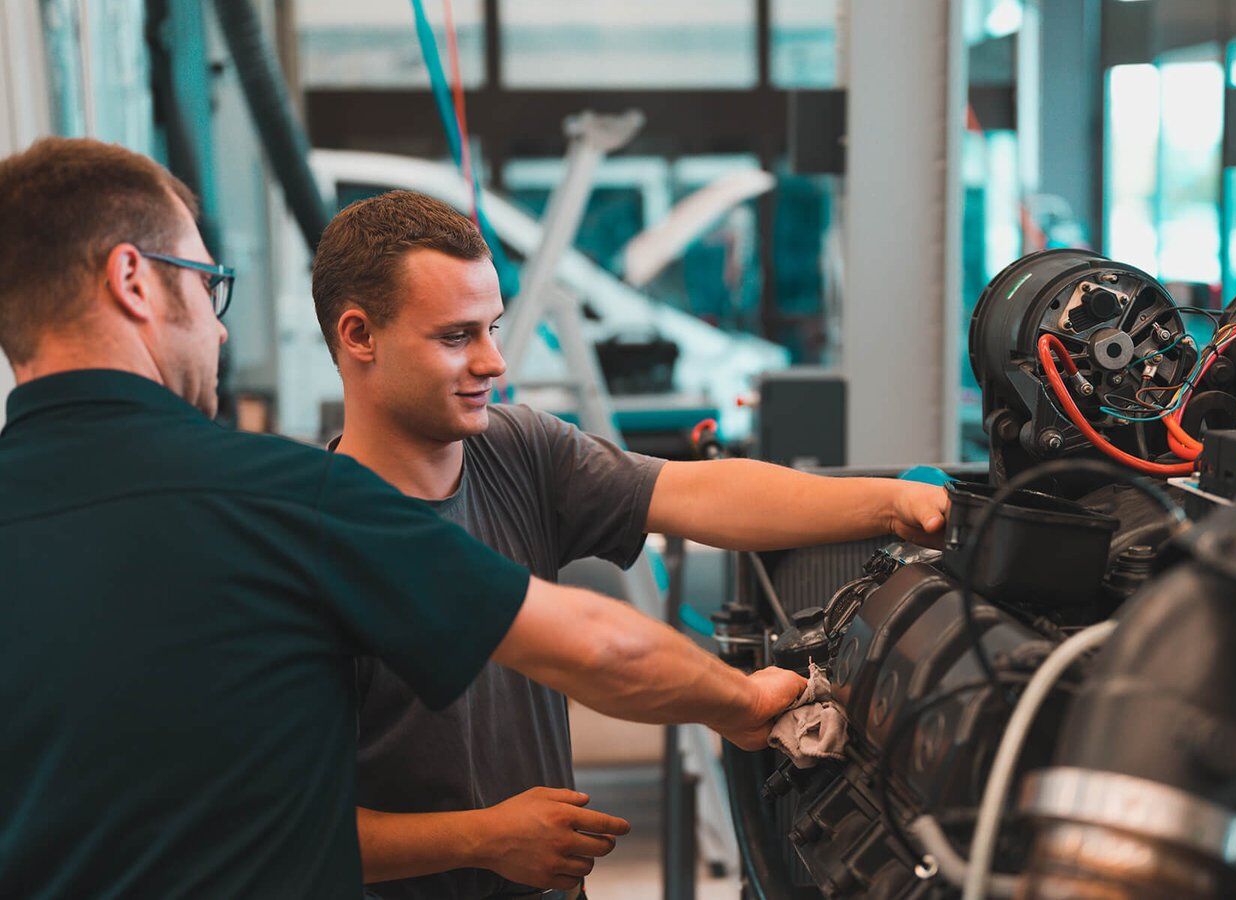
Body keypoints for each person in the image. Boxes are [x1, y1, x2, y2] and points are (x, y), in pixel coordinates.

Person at [0, 139, 805, 900]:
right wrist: (741, 705)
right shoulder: (282, 502)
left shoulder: (495, 455)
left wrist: (896, 501)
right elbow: (597, 647)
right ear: (134, 279)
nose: (216, 325)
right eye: (207, 285)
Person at [311, 190, 952, 898]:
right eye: (456, 337)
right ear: (359, 336)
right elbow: (285, 828)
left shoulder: (517, 448)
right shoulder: (311, 544)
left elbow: (694, 494)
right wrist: (483, 838)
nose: (493, 362)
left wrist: (894, 504)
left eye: (492, 328)